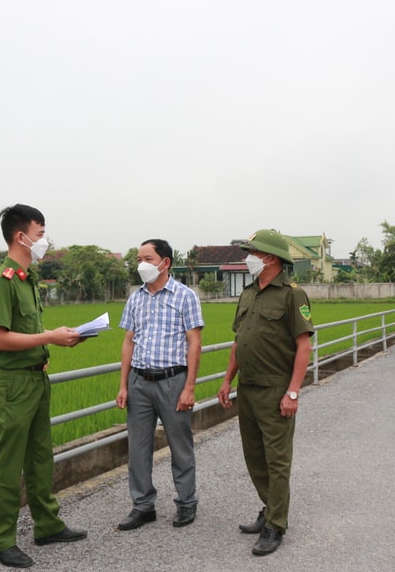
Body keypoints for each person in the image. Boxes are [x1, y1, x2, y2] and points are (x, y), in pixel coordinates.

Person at [0, 204, 87, 568]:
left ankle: (47, 525)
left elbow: (29, 334)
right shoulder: (3, 281)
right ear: (20, 236)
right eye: (40, 235)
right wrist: (49, 336)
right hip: (14, 385)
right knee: (8, 466)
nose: (43, 242)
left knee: (41, 459)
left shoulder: (28, 281)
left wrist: (62, 338)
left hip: (37, 378)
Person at [217, 229, 314, 556]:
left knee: (277, 460)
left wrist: (293, 392)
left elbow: (304, 346)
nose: (248, 257)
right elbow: (238, 341)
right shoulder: (248, 294)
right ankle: (269, 507)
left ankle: (276, 524)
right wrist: (227, 379)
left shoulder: (292, 295)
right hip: (248, 388)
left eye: (252, 252)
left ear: (270, 257)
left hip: (276, 389)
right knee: (255, 456)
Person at [115, 239, 204, 530]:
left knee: (180, 446)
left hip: (173, 380)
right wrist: (124, 385)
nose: (141, 264)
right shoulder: (135, 298)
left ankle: (187, 503)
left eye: (148, 258)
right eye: (139, 258)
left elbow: (194, 343)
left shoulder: (184, 296)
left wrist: (189, 387)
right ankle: (142, 506)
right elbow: (128, 341)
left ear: (165, 263)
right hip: (140, 381)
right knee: (138, 448)